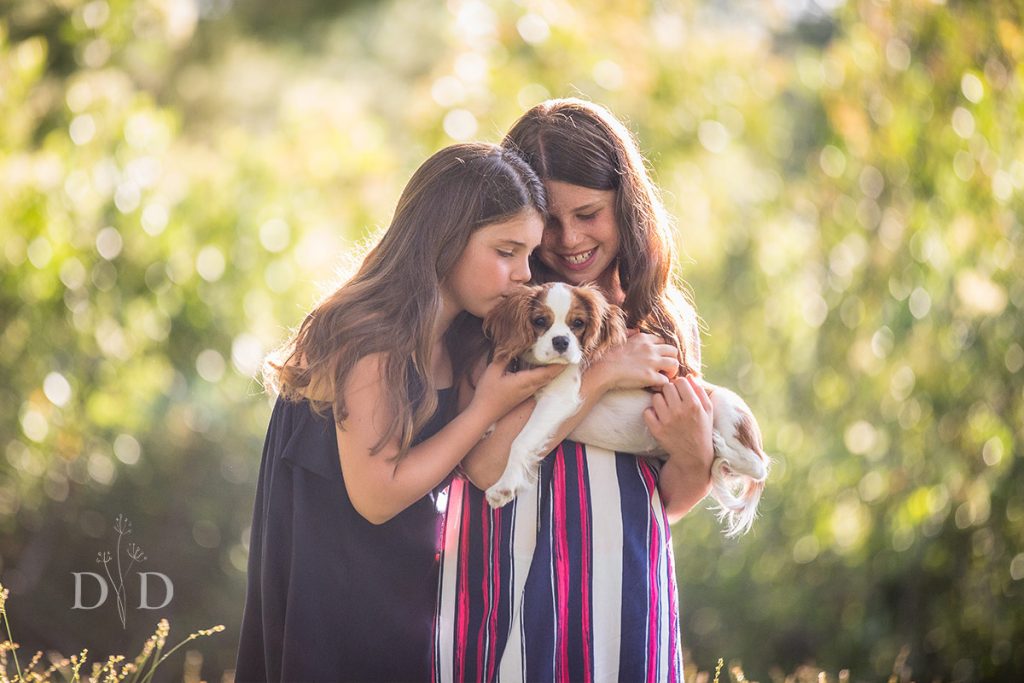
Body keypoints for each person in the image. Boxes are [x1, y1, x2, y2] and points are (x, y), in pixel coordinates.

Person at [234, 143, 566, 682]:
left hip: (402, 606)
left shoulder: (457, 340)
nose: (523, 274)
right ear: (447, 238)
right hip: (335, 615)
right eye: (506, 251)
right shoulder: (371, 337)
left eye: (528, 255)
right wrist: (483, 407)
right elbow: (377, 496)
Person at [433, 99, 716, 683]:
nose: (567, 240)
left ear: (627, 205)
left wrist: (694, 454)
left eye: (589, 213)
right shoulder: (503, 316)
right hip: (503, 583)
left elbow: (669, 501)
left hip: (620, 588)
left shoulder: (657, 322)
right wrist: (602, 372)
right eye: (550, 221)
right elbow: (486, 466)